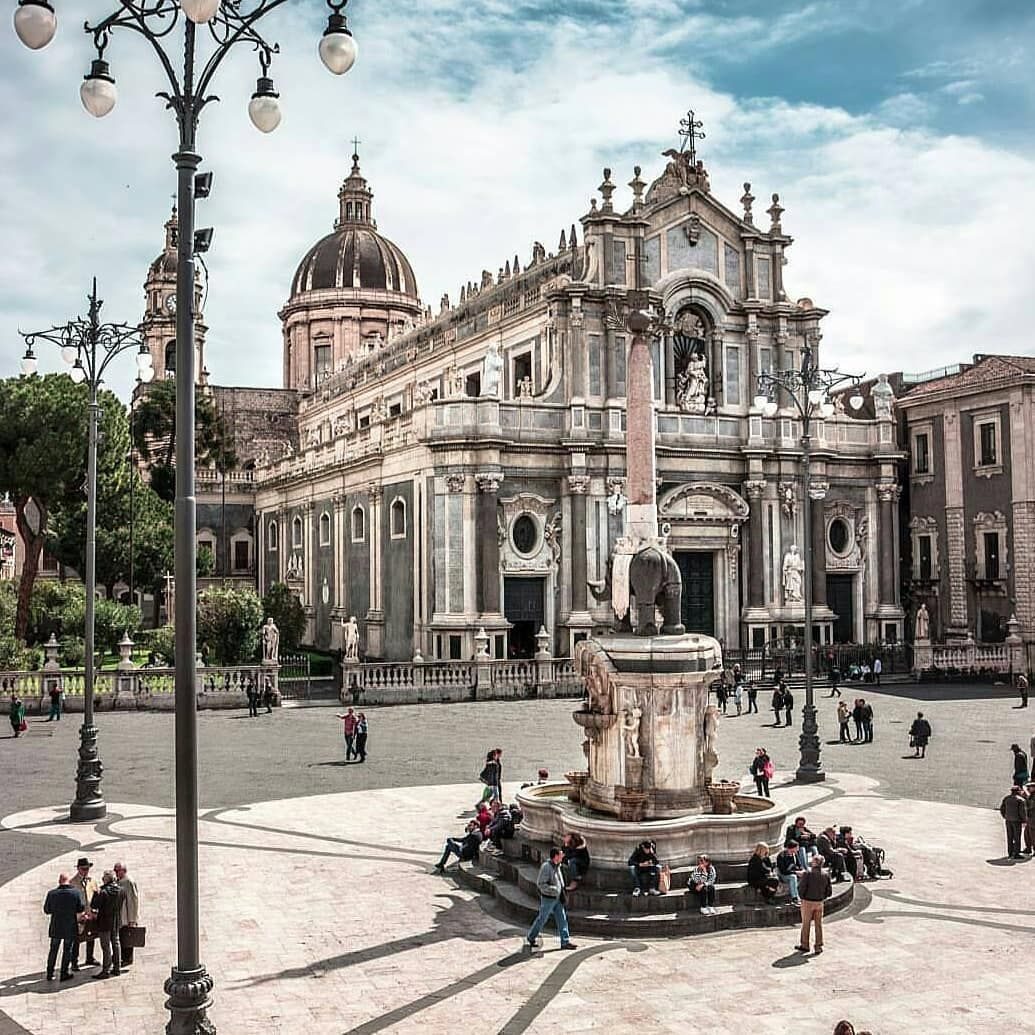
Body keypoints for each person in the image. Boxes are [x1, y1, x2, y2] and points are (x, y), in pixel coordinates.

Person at [523, 846, 577, 952]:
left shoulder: (557, 866)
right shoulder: (546, 867)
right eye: (561, 854)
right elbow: (541, 884)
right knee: (542, 919)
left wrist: (561, 891)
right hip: (549, 898)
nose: (562, 856)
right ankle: (531, 937)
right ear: (556, 856)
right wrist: (554, 890)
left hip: (558, 898)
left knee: (562, 919)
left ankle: (565, 941)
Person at [44, 873, 85, 982]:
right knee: (67, 950)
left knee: (53, 950)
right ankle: (64, 973)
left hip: (56, 926)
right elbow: (80, 908)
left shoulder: (52, 894)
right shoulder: (75, 893)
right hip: (70, 926)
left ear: (59, 881)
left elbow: (47, 910)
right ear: (68, 881)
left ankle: (49, 973)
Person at [795, 855, 832, 954]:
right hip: (819, 902)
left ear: (814, 862)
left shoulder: (808, 873)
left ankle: (805, 945)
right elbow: (829, 891)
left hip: (808, 902)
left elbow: (801, 887)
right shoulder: (825, 874)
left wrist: (802, 897)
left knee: (806, 924)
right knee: (818, 925)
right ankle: (818, 946)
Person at [89, 870, 123, 978]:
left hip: (104, 922)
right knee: (116, 944)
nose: (102, 879)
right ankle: (117, 968)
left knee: (106, 946)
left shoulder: (103, 892)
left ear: (107, 879)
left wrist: (95, 894)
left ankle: (106, 970)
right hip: (116, 920)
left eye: (103, 877)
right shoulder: (121, 890)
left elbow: (95, 905)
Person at [70, 857, 99, 970]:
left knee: (91, 936)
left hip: (90, 913)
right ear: (78, 869)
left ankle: (90, 957)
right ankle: (74, 962)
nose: (85, 871)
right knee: (77, 939)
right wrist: (78, 915)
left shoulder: (92, 880)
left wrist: (94, 911)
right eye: (83, 869)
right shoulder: (73, 883)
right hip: (79, 915)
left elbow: (97, 895)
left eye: (87, 869)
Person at [112, 862, 139, 968]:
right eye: (115, 870)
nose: (116, 873)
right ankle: (122, 956)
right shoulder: (119, 881)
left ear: (123, 870)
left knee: (127, 938)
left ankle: (127, 958)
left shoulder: (128, 882)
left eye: (117, 871)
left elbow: (133, 901)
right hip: (120, 916)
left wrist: (132, 919)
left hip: (126, 917)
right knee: (121, 937)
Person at [1000, 785, 1028, 859]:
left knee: (1009, 836)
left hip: (1008, 820)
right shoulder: (1021, 800)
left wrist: (1005, 816)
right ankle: (1016, 853)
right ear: (1018, 791)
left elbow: (1002, 809)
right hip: (1016, 821)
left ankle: (1010, 852)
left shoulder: (1006, 798)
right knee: (1017, 837)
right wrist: (1024, 820)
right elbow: (1022, 812)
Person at [776, 841, 805, 905]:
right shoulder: (781, 856)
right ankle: (795, 898)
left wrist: (801, 870)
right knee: (793, 877)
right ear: (791, 848)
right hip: (784, 875)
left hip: (794, 872)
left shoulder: (795, 854)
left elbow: (799, 864)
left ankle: (805, 894)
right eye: (796, 848)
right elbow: (783, 871)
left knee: (806, 874)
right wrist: (796, 872)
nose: (798, 849)